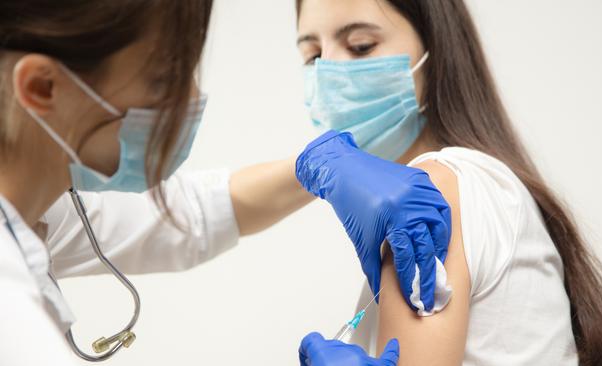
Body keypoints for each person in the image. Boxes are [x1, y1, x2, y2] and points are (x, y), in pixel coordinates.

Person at [0, 1, 453, 365]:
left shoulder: (41, 209)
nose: (192, 100)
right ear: (43, 87)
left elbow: (190, 214)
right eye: (164, 78)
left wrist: (315, 165)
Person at [294, 0, 602, 365]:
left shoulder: (433, 190)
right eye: (312, 57)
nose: (330, 72)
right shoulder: (487, 182)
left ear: (436, 52)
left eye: (361, 46)